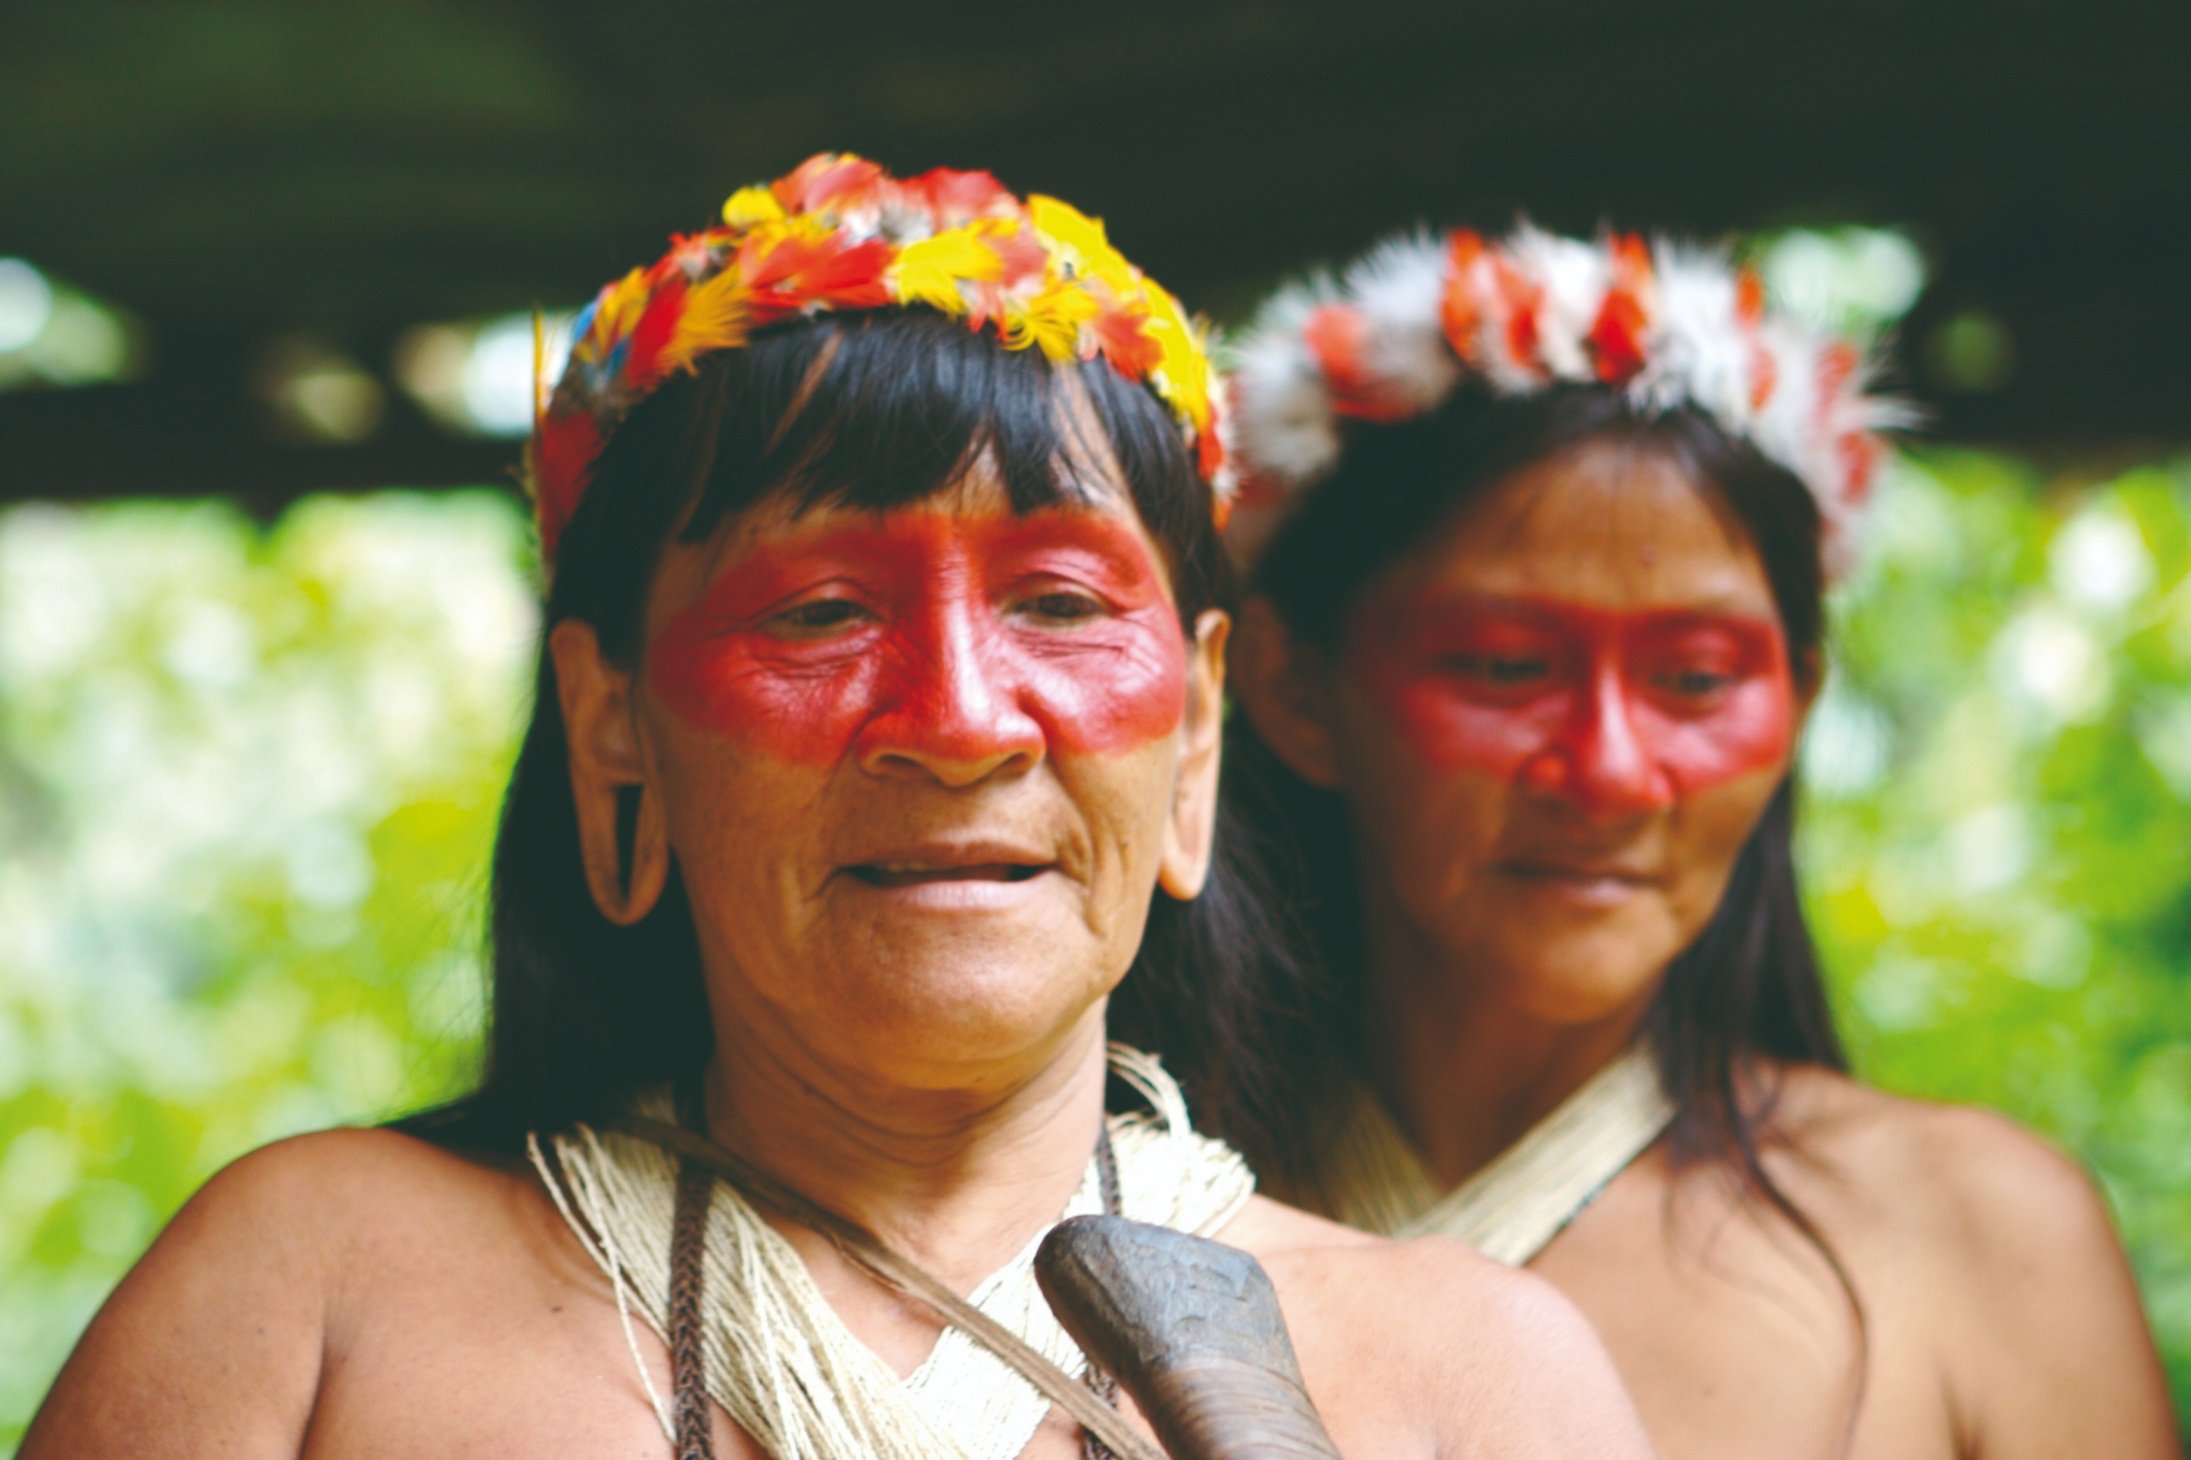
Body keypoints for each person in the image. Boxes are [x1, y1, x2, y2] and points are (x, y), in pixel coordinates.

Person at [23, 158, 1653, 1459]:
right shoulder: (306, 1298)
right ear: (615, 730)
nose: (954, 720)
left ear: (1198, 734)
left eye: (1063, 606)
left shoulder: (1472, 1384)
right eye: (817, 612)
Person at [1217, 224, 2183, 1459]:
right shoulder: (1071, 1197)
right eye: (1507, 665)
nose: (1612, 771)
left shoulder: (1981, 1240)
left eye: (1692, 677)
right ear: (1294, 687)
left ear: (1800, 699)